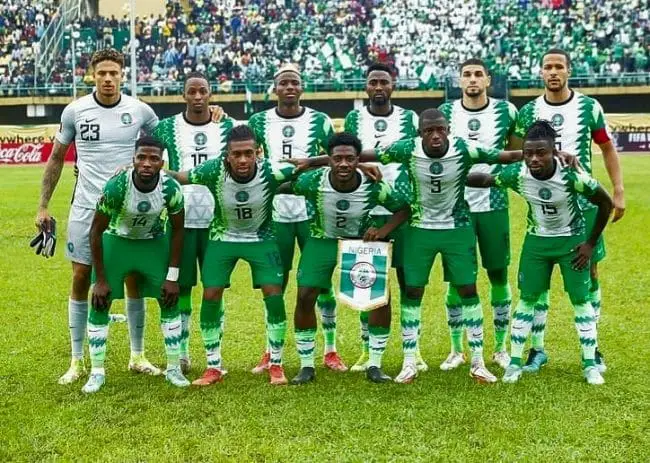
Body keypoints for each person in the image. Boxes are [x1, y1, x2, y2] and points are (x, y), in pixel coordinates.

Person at [357, 109, 543, 384]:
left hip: (457, 229)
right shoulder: (407, 149)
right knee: (412, 291)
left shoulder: (463, 149)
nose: (435, 135)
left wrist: (549, 154)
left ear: (448, 130)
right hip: (420, 229)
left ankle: (478, 362)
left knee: (468, 289)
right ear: (419, 133)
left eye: (440, 130)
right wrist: (344, 163)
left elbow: (505, 156)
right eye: (428, 131)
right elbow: (361, 154)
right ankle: (409, 362)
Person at [36, 48, 161, 384]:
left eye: (114, 73)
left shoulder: (140, 110)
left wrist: (217, 116)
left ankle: (137, 356)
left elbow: (167, 143)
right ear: (92, 75)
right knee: (81, 276)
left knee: (132, 277)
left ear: (122, 75)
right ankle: (77, 361)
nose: (108, 79)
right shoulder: (76, 111)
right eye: (102, 73)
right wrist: (43, 205)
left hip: (128, 208)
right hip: (86, 207)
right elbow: (56, 158)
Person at [467, 120, 613, 385]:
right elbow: (487, 179)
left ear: (554, 151)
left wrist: (590, 244)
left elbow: (605, 202)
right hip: (536, 243)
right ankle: (514, 364)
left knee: (580, 301)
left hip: (571, 242)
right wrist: (451, 177)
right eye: (529, 153)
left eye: (541, 153)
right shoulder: (518, 174)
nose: (534, 159)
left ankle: (590, 365)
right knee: (527, 300)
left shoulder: (571, 176)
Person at [513, 48, 625, 374]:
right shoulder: (528, 111)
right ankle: (537, 349)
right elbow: (518, 153)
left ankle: (593, 347)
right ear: (540, 72)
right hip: (544, 205)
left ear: (568, 71)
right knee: (539, 281)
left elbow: (607, 148)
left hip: (586, 206)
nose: (553, 72)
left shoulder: (590, 107)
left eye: (558, 67)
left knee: (590, 272)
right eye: (547, 67)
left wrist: (618, 190)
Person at [165, 125, 301, 386]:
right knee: (210, 295)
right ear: (226, 155)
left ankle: (276, 364)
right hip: (222, 239)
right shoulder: (213, 170)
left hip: (261, 240)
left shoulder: (272, 171)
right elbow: (180, 177)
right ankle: (213, 367)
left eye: (248, 153)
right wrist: (142, 168)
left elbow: (305, 168)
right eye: (236, 154)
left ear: (257, 153)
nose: (243, 160)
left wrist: (325, 162)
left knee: (274, 294)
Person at [286, 132, 410, 384]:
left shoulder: (372, 185)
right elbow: (283, 184)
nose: (343, 164)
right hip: (322, 239)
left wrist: (383, 231)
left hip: (360, 243)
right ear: (329, 159)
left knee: (380, 299)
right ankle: (307, 366)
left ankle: (375, 364)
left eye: (350, 159)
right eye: (337, 159)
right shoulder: (312, 181)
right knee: (305, 295)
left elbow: (403, 209)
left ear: (358, 160)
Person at [248, 64, 347, 374]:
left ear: (302, 88)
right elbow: (244, 153)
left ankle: (330, 349)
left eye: (294, 83)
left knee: (321, 282)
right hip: (274, 211)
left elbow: (335, 157)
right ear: (275, 88)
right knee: (275, 283)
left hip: (312, 211)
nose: (289, 87)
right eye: (284, 83)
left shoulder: (320, 120)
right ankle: (270, 350)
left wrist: (310, 165)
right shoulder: (258, 121)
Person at [83, 136, 188, 393]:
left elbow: (178, 230)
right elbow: (95, 231)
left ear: (162, 163)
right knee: (100, 301)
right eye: (141, 157)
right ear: (133, 159)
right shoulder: (116, 186)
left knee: (169, 300)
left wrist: (172, 276)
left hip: (152, 244)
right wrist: (100, 280)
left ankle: (173, 368)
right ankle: (97, 372)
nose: (147, 163)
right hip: (117, 242)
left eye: (153, 158)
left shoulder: (171, 189)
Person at [438, 58, 519, 370]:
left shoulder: (506, 111)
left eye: (477, 74)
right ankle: (456, 350)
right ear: (459, 81)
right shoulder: (446, 113)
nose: (472, 79)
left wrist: (498, 179)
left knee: (498, 274)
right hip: (456, 208)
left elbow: (515, 155)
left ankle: (500, 348)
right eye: (466, 75)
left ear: (488, 80)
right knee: (456, 280)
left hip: (494, 205)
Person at [343, 63, 423, 373]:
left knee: (409, 284)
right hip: (366, 212)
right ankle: (367, 351)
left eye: (384, 82)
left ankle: (413, 351)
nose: (378, 87)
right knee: (368, 286)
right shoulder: (354, 118)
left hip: (402, 209)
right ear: (366, 86)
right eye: (373, 82)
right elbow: (347, 156)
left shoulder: (409, 118)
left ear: (393, 86)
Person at [153, 71, 235, 374]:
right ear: (183, 94)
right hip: (180, 220)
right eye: (192, 91)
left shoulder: (228, 125)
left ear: (211, 94)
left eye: (203, 91)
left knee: (215, 288)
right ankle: (183, 353)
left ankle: (215, 355)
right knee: (180, 287)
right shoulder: (166, 127)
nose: (198, 97)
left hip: (218, 221)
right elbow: (147, 158)